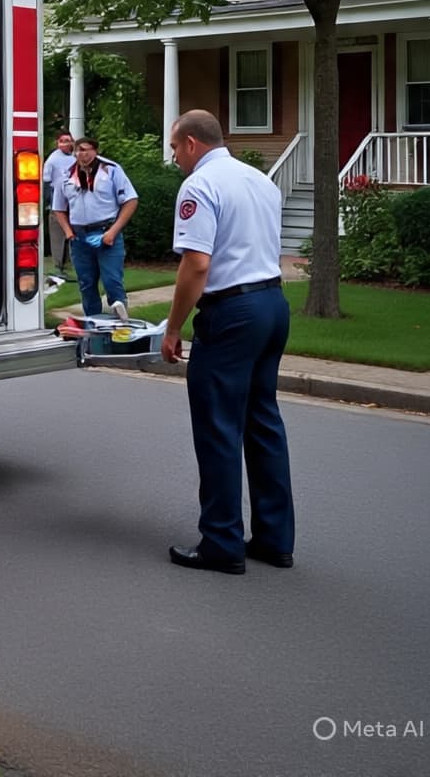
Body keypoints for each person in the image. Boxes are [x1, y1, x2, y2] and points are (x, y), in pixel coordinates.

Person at [162, 109, 294, 576]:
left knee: (219, 427)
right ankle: (276, 539)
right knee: (262, 421)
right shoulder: (261, 180)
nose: (174, 155)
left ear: (193, 143)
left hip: (232, 312)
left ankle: (222, 541)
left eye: (175, 147)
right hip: (272, 303)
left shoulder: (199, 185)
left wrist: (174, 326)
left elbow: (197, 265)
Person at [51, 136, 137, 318]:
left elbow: (130, 200)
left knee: (112, 281)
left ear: (95, 150)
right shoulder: (67, 174)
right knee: (87, 283)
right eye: (79, 150)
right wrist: (68, 232)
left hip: (106, 232)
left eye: (87, 149)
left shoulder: (111, 170)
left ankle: (120, 324)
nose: (83, 154)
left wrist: (114, 231)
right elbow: (58, 208)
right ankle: (93, 324)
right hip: (79, 236)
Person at [42, 131, 76, 278]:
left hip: (73, 203)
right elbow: (46, 181)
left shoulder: (74, 159)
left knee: (72, 234)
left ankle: (71, 265)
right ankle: (58, 267)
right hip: (57, 204)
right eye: (62, 141)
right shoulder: (52, 160)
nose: (66, 143)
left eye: (68, 140)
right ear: (58, 143)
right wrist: (49, 202)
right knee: (58, 235)